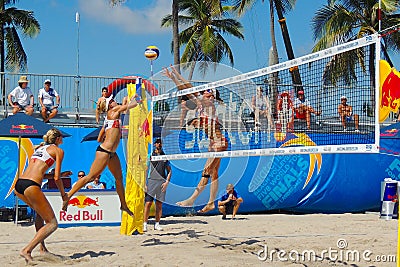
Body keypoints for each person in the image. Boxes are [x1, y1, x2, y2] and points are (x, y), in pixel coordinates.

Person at [62, 94, 142, 217]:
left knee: (119, 179)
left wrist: (109, 134)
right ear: (110, 105)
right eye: (113, 100)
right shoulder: (113, 111)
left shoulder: (110, 116)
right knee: (90, 177)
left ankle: (123, 204)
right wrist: (137, 99)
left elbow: (99, 138)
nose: (116, 101)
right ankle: (68, 196)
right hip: (104, 151)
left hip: (111, 153)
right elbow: (132, 105)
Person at [163, 65, 228, 214]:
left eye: (206, 92)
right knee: (214, 174)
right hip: (213, 143)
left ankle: (192, 199)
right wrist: (174, 77)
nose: (203, 93)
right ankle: (211, 203)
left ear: (211, 96)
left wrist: (177, 76)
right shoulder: (202, 105)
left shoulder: (209, 104)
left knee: (207, 171)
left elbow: (189, 88)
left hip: (219, 142)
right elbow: (186, 89)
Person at [13, 128, 67, 264]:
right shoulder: (58, 151)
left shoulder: (40, 149)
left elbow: (41, 173)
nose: (63, 139)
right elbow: (56, 178)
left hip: (19, 184)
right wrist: (63, 196)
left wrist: (61, 175)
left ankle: (42, 249)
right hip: (31, 185)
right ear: (58, 139)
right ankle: (27, 250)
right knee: (53, 223)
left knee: (40, 215)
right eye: (62, 137)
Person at [143, 138, 172, 231]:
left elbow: (169, 170)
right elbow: (146, 169)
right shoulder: (150, 155)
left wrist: (167, 182)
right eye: (157, 142)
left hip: (161, 182)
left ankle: (157, 223)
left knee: (159, 204)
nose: (159, 144)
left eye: (160, 143)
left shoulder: (164, 156)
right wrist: (145, 184)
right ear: (154, 144)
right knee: (148, 203)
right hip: (152, 181)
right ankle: (144, 224)